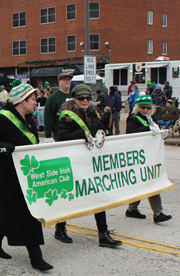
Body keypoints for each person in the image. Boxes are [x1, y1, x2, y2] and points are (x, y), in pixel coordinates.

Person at [0, 83, 53, 271]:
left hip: (26, 171)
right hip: (8, 174)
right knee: (26, 212)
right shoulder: (4, 118)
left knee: (7, 209)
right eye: (33, 100)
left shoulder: (29, 119)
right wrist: (3, 147)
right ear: (22, 100)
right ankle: (36, 257)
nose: (36, 103)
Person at [57, 84, 123, 248]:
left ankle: (103, 234)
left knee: (97, 194)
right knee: (69, 196)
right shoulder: (67, 115)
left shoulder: (93, 112)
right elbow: (63, 137)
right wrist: (82, 135)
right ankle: (60, 228)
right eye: (81, 98)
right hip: (73, 161)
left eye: (88, 98)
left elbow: (98, 129)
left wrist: (101, 131)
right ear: (75, 99)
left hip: (90, 161)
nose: (85, 101)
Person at [125, 93, 172, 223]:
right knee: (151, 183)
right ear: (138, 107)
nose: (145, 110)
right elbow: (131, 133)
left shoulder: (150, 119)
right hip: (138, 156)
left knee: (142, 183)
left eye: (147, 107)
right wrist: (148, 129)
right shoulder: (133, 118)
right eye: (142, 107)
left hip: (149, 155)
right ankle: (158, 213)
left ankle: (132, 209)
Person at [44, 72, 74, 142]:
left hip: (74, 134)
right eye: (65, 80)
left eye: (69, 80)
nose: (68, 81)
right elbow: (48, 116)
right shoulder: (53, 98)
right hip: (59, 135)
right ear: (59, 81)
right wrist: (48, 135)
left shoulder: (74, 96)